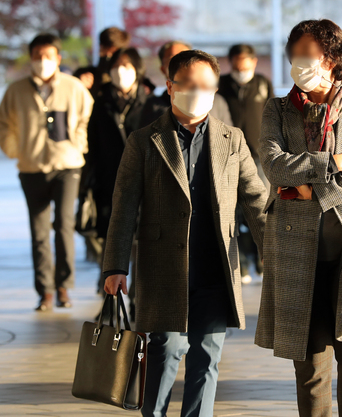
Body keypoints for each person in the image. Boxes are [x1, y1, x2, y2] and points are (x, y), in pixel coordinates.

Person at [102, 49, 268, 417]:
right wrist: (114, 266)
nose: (198, 92)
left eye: (206, 85)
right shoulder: (144, 141)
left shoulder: (232, 139)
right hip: (163, 268)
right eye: (189, 84)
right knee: (165, 351)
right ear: (170, 86)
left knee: (207, 357)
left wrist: (273, 254)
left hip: (216, 266)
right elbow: (124, 207)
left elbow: (256, 199)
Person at [255, 19, 342, 417]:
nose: (300, 63)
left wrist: (315, 191)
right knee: (310, 364)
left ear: (331, 59)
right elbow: (275, 166)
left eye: (308, 55)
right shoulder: (277, 109)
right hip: (298, 250)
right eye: (295, 55)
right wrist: (335, 161)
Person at [0, 33, 93, 311]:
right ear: (31, 58)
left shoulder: (73, 87)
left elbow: (87, 115)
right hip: (31, 167)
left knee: (64, 226)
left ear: (58, 58)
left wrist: (78, 142)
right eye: (38, 56)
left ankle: (64, 286)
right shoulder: (16, 90)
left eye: (48, 56)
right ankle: (46, 291)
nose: (43, 62)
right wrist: (15, 149)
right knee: (39, 231)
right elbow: (4, 123)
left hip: (67, 166)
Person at [85, 47, 148, 296]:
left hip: (143, 176)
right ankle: (110, 279)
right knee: (113, 228)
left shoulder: (148, 102)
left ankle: (137, 287)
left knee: (140, 233)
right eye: (116, 66)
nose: (120, 71)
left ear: (137, 69)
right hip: (108, 178)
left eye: (127, 66)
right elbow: (93, 141)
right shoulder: (102, 102)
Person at [218, 44, 275, 284]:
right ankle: (238, 263)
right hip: (228, 154)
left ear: (253, 61)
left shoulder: (262, 83)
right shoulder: (221, 85)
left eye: (246, 63)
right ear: (230, 63)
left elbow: (273, 115)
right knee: (231, 210)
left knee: (260, 207)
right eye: (237, 63)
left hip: (259, 156)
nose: (242, 68)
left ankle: (261, 260)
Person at [139, 40, 233, 129]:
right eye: (172, 59)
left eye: (186, 58)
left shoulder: (217, 102)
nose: (180, 64)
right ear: (163, 69)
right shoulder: (153, 106)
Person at [75, 27, 131, 97]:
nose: (108, 56)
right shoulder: (84, 75)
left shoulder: (131, 81)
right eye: (105, 50)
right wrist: (78, 85)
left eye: (113, 54)